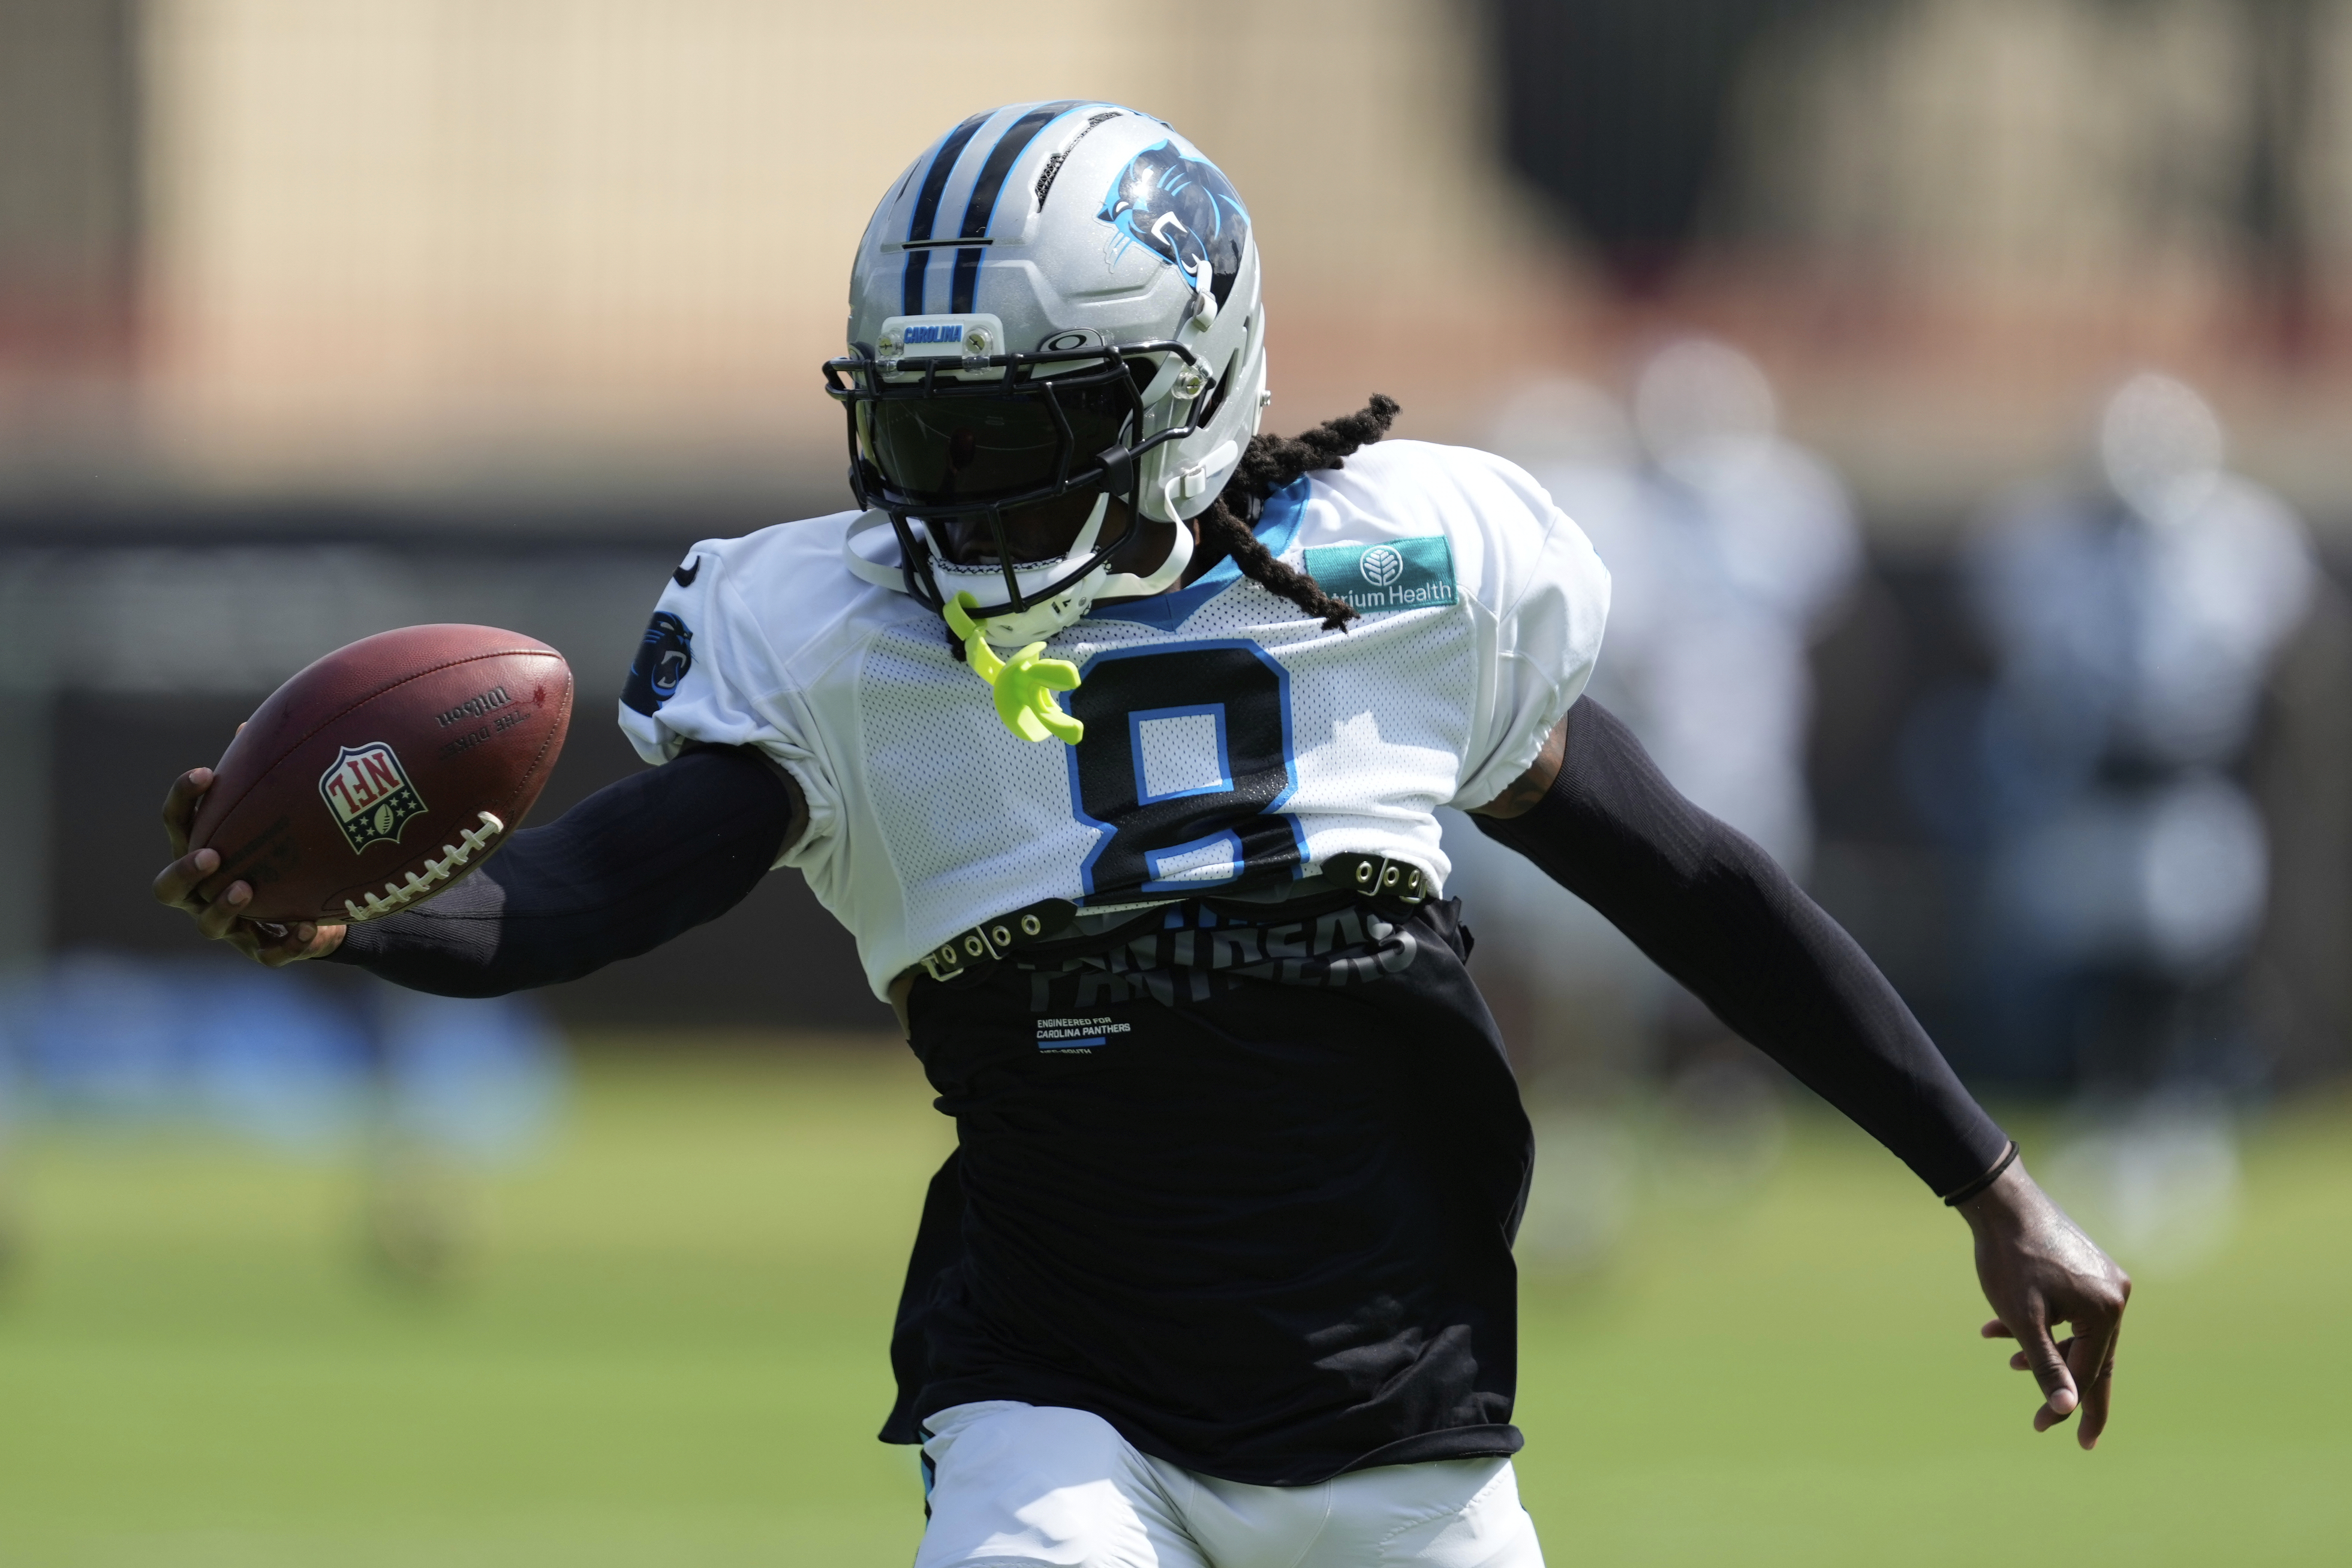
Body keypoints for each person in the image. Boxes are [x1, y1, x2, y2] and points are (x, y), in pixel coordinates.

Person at [153, 103, 2128, 1568]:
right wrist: (354, 925)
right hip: (1049, 1397)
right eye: (921, 433)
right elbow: (593, 889)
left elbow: (1686, 879)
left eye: (1015, 432)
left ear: (1185, 391)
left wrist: (1984, 1174)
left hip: (1403, 1425)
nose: (954, 492)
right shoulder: (839, 639)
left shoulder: (1416, 586)